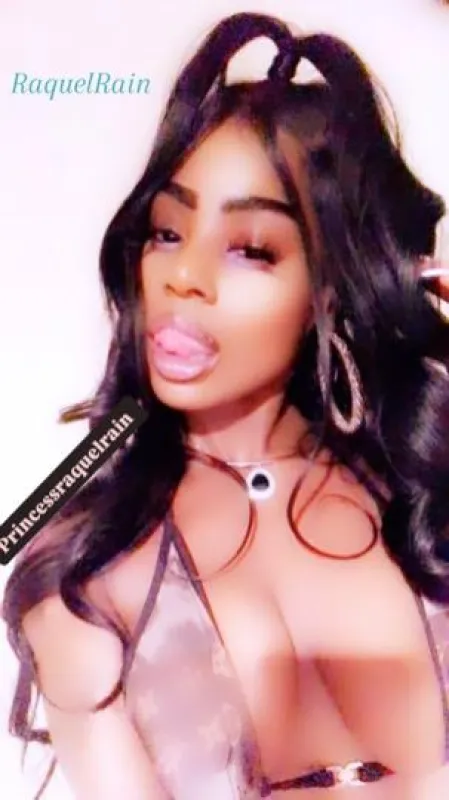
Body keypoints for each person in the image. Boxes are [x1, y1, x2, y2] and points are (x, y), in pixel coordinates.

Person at [3, 11, 449, 800]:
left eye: (250, 248)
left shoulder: (422, 495)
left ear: (331, 287)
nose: (184, 278)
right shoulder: (87, 573)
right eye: (166, 233)